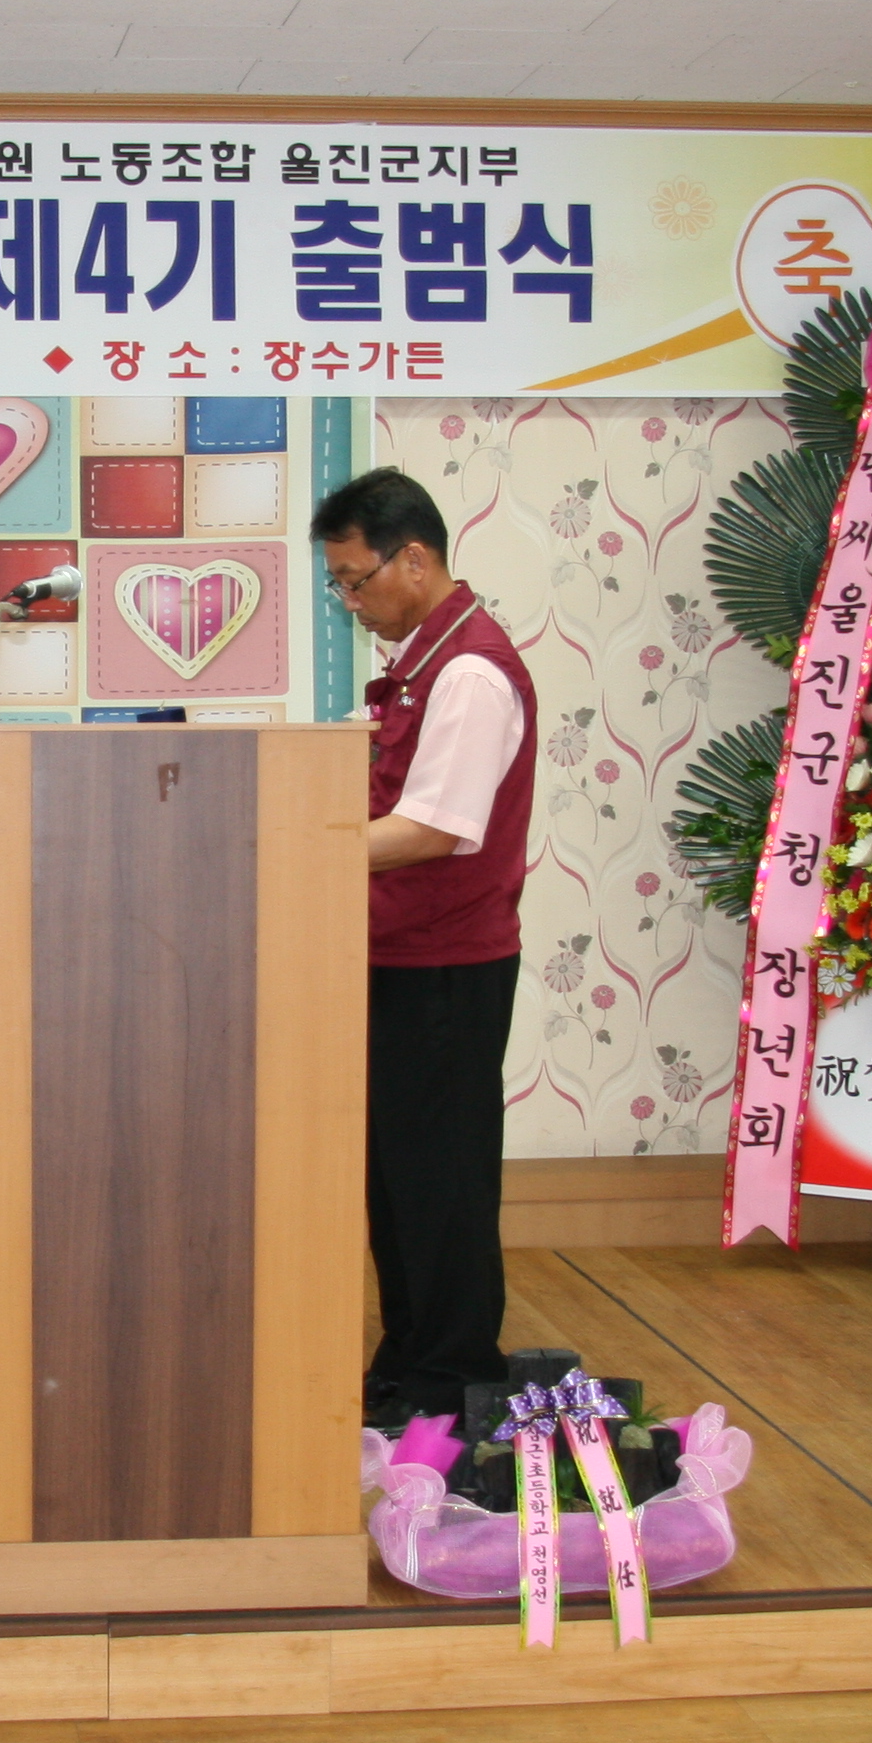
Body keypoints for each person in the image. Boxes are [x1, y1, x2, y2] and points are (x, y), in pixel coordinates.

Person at [311, 467, 538, 1428]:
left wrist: (295, 848)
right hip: (397, 958)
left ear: (415, 559)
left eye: (355, 580)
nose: (350, 601)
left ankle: (451, 1374)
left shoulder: (471, 672)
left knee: (440, 1181)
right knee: (397, 1176)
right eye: (339, 585)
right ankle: (408, 1361)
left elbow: (434, 828)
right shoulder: (423, 660)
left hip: (447, 966)